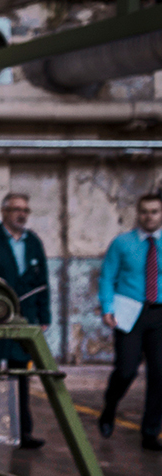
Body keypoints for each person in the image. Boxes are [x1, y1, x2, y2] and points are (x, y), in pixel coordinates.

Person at [0, 192, 51, 449]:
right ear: (4, 212)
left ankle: (23, 432)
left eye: (25, 210)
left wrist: (44, 316)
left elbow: (43, 283)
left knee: (21, 374)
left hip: (25, 318)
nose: (21, 214)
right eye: (16, 209)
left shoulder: (34, 243)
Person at [98, 191, 162, 450]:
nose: (149, 216)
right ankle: (109, 407)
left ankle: (150, 432)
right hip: (128, 313)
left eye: (155, 211)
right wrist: (107, 308)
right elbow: (107, 277)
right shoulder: (122, 243)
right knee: (126, 370)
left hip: (159, 314)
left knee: (160, 374)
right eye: (145, 211)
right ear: (138, 213)